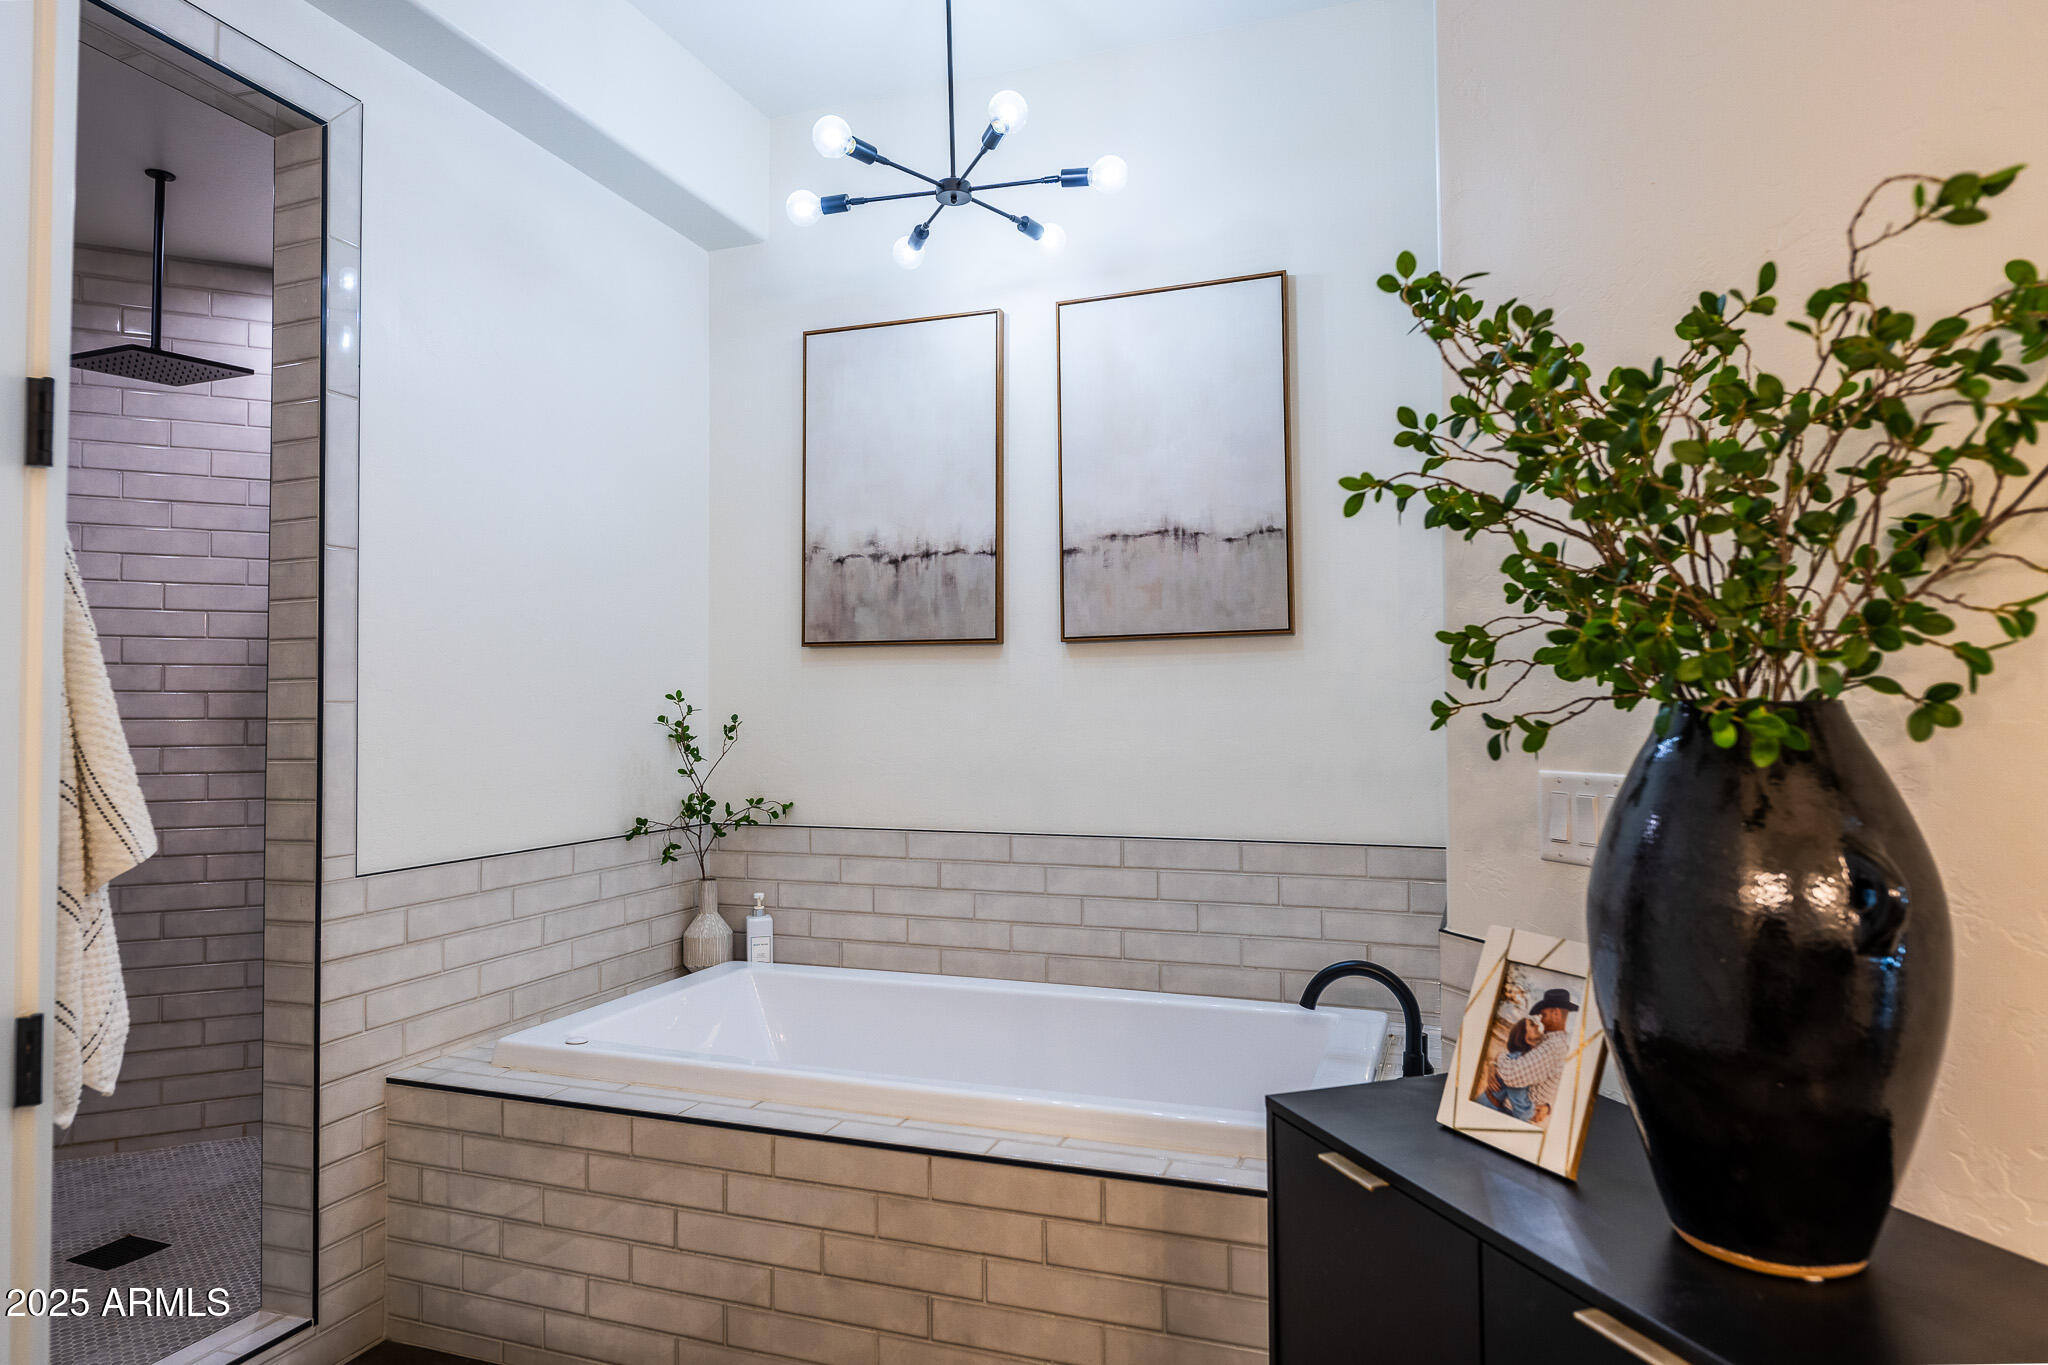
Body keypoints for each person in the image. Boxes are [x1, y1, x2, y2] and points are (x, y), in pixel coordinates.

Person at [1485, 988, 1579, 1126]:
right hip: (1507, 1108)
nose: (1541, 1020)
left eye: (1543, 1015)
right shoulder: (1551, 1042)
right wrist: (1493, 1064)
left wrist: (1498, 1059)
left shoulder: (1553, 1046)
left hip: (1511, 1113)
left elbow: (1513, 1075)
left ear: (1556, 1013)